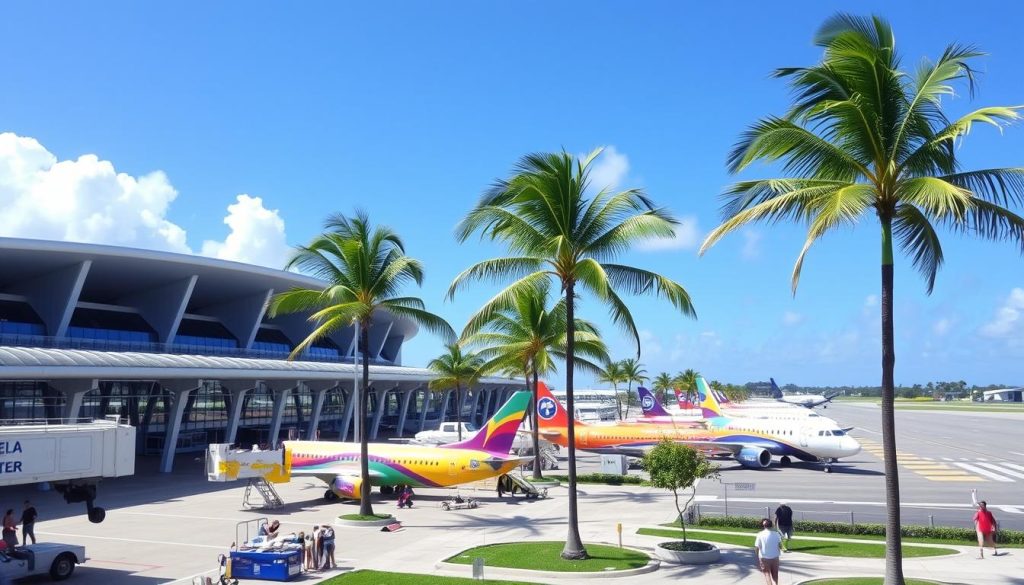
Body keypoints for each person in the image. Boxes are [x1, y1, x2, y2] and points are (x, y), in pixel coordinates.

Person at [972, 489, 999, 558]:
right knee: (980, 540)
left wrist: (994, 527)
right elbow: (975, 501)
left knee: (990, 542)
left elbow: (994, 521)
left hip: (987, 528)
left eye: (982, 505)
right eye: (980, 505)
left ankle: (995, 550)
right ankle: (981, 554)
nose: (980, 506)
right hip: (980, 527)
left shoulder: (989, 513)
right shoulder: (978, 511)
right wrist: (973, 492)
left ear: (985, 506)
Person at [754, 518, 782, 585]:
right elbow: (780, 546)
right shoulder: (777, 534)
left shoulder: (760, 534)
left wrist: (757, 555)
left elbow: (757, 547)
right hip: (775, 557)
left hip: (764, 558)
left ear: (763, 526)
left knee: (767, 574)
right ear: (771, 525)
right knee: (775, 574)